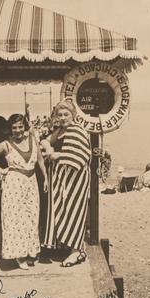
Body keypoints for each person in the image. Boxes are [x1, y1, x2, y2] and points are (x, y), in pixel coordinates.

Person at [0, 114, 48, 270]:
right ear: (10, 129)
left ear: (25, 126)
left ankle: (30, 251)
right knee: (15, 219)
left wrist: (45, 178)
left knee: (32, 216)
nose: (18, 130)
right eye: (14, 127)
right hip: (14, 183)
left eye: (20, 126)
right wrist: (1, 170)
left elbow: (40, 160)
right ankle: (19, 256)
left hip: (31, 182)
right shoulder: (6, 144)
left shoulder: (33, 140)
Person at [40, 100, 91, 268]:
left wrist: (58, 155)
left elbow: (81, 155)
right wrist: (49, 148)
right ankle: (67, 246)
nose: (62, 118)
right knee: (62, 210)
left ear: (73, 115)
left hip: (75, 178)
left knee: (74, 211)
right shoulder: (60, 130)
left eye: (66, 114)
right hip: (61, 178)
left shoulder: (77, 130)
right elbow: (45, 141)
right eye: (59, 115)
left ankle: (77, 251)